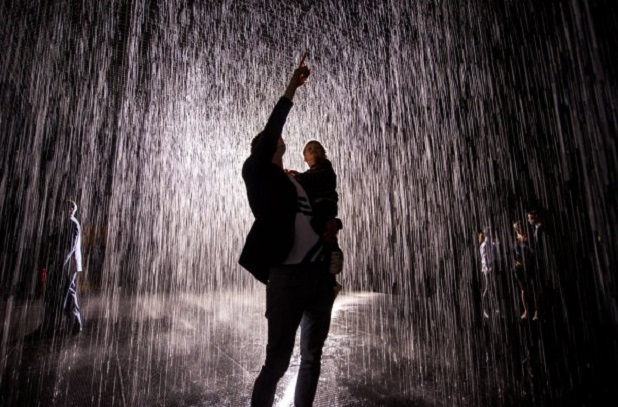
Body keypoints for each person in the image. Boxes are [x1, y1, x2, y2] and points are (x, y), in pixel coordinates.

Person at [239, 54, 336, 407]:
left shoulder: (294, 180)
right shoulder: (256, 172)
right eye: (271, 139)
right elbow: (273, 127)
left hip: (318, 276)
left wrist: (332, 229)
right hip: (287, 277)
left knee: (311, 359)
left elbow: (321, 210)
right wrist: (293, 86)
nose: (279, 138)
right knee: (277, 363)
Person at [287, 140, 344, 296]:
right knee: (322, 234)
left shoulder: (325, 167)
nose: (314, 150)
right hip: (320, 209)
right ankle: (329, 282)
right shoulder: (311, 173)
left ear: (324, 154)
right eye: (310, 149)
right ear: (305, 157)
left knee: (322, 230)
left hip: (324, 205)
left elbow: (312, 179)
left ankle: (335, 253)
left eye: (318, 148)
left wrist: (297, 176)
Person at [25, 199, 83, 340]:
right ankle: (74, 324)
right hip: (65, 265)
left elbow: (70, 246)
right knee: (67, 294)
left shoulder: (71, 223)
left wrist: (59, 263)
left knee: (56, 295)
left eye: (65, 207)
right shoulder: (66, 223)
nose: (62, 209)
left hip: (65, 265)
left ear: (71, 209)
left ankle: (50, 326)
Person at [512, 220, 537, 320]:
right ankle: (526, 310)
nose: (518, 229)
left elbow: (531, 252)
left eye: (519, 227)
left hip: (529, 266)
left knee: (533, 288)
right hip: (520, 268)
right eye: (516, 228)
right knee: (523, 290)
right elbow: (516, 254)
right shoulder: (516, 241)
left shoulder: (527, 238)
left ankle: (536, 310)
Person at [479, 227, 501, 319]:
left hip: (492, 266)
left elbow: (494, 255)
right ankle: (485, 309)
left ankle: (494, 307)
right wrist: (486, 269)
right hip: (489, 267)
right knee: (488, 287)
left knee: (492, 287)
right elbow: (484, 257)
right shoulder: (485, 244)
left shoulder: (491, 243)